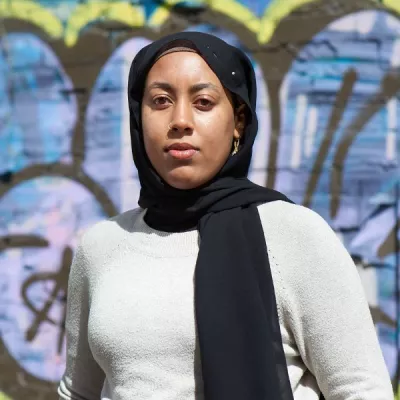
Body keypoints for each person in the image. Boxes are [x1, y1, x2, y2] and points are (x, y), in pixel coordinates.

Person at [58, 32, 393, 400]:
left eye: (203, 102)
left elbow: (360, 390)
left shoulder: (294, 235)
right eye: (160, 101)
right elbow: (78, 392)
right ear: (139, 118)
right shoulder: (102, 247)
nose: (180, 120)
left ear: (238, 121)